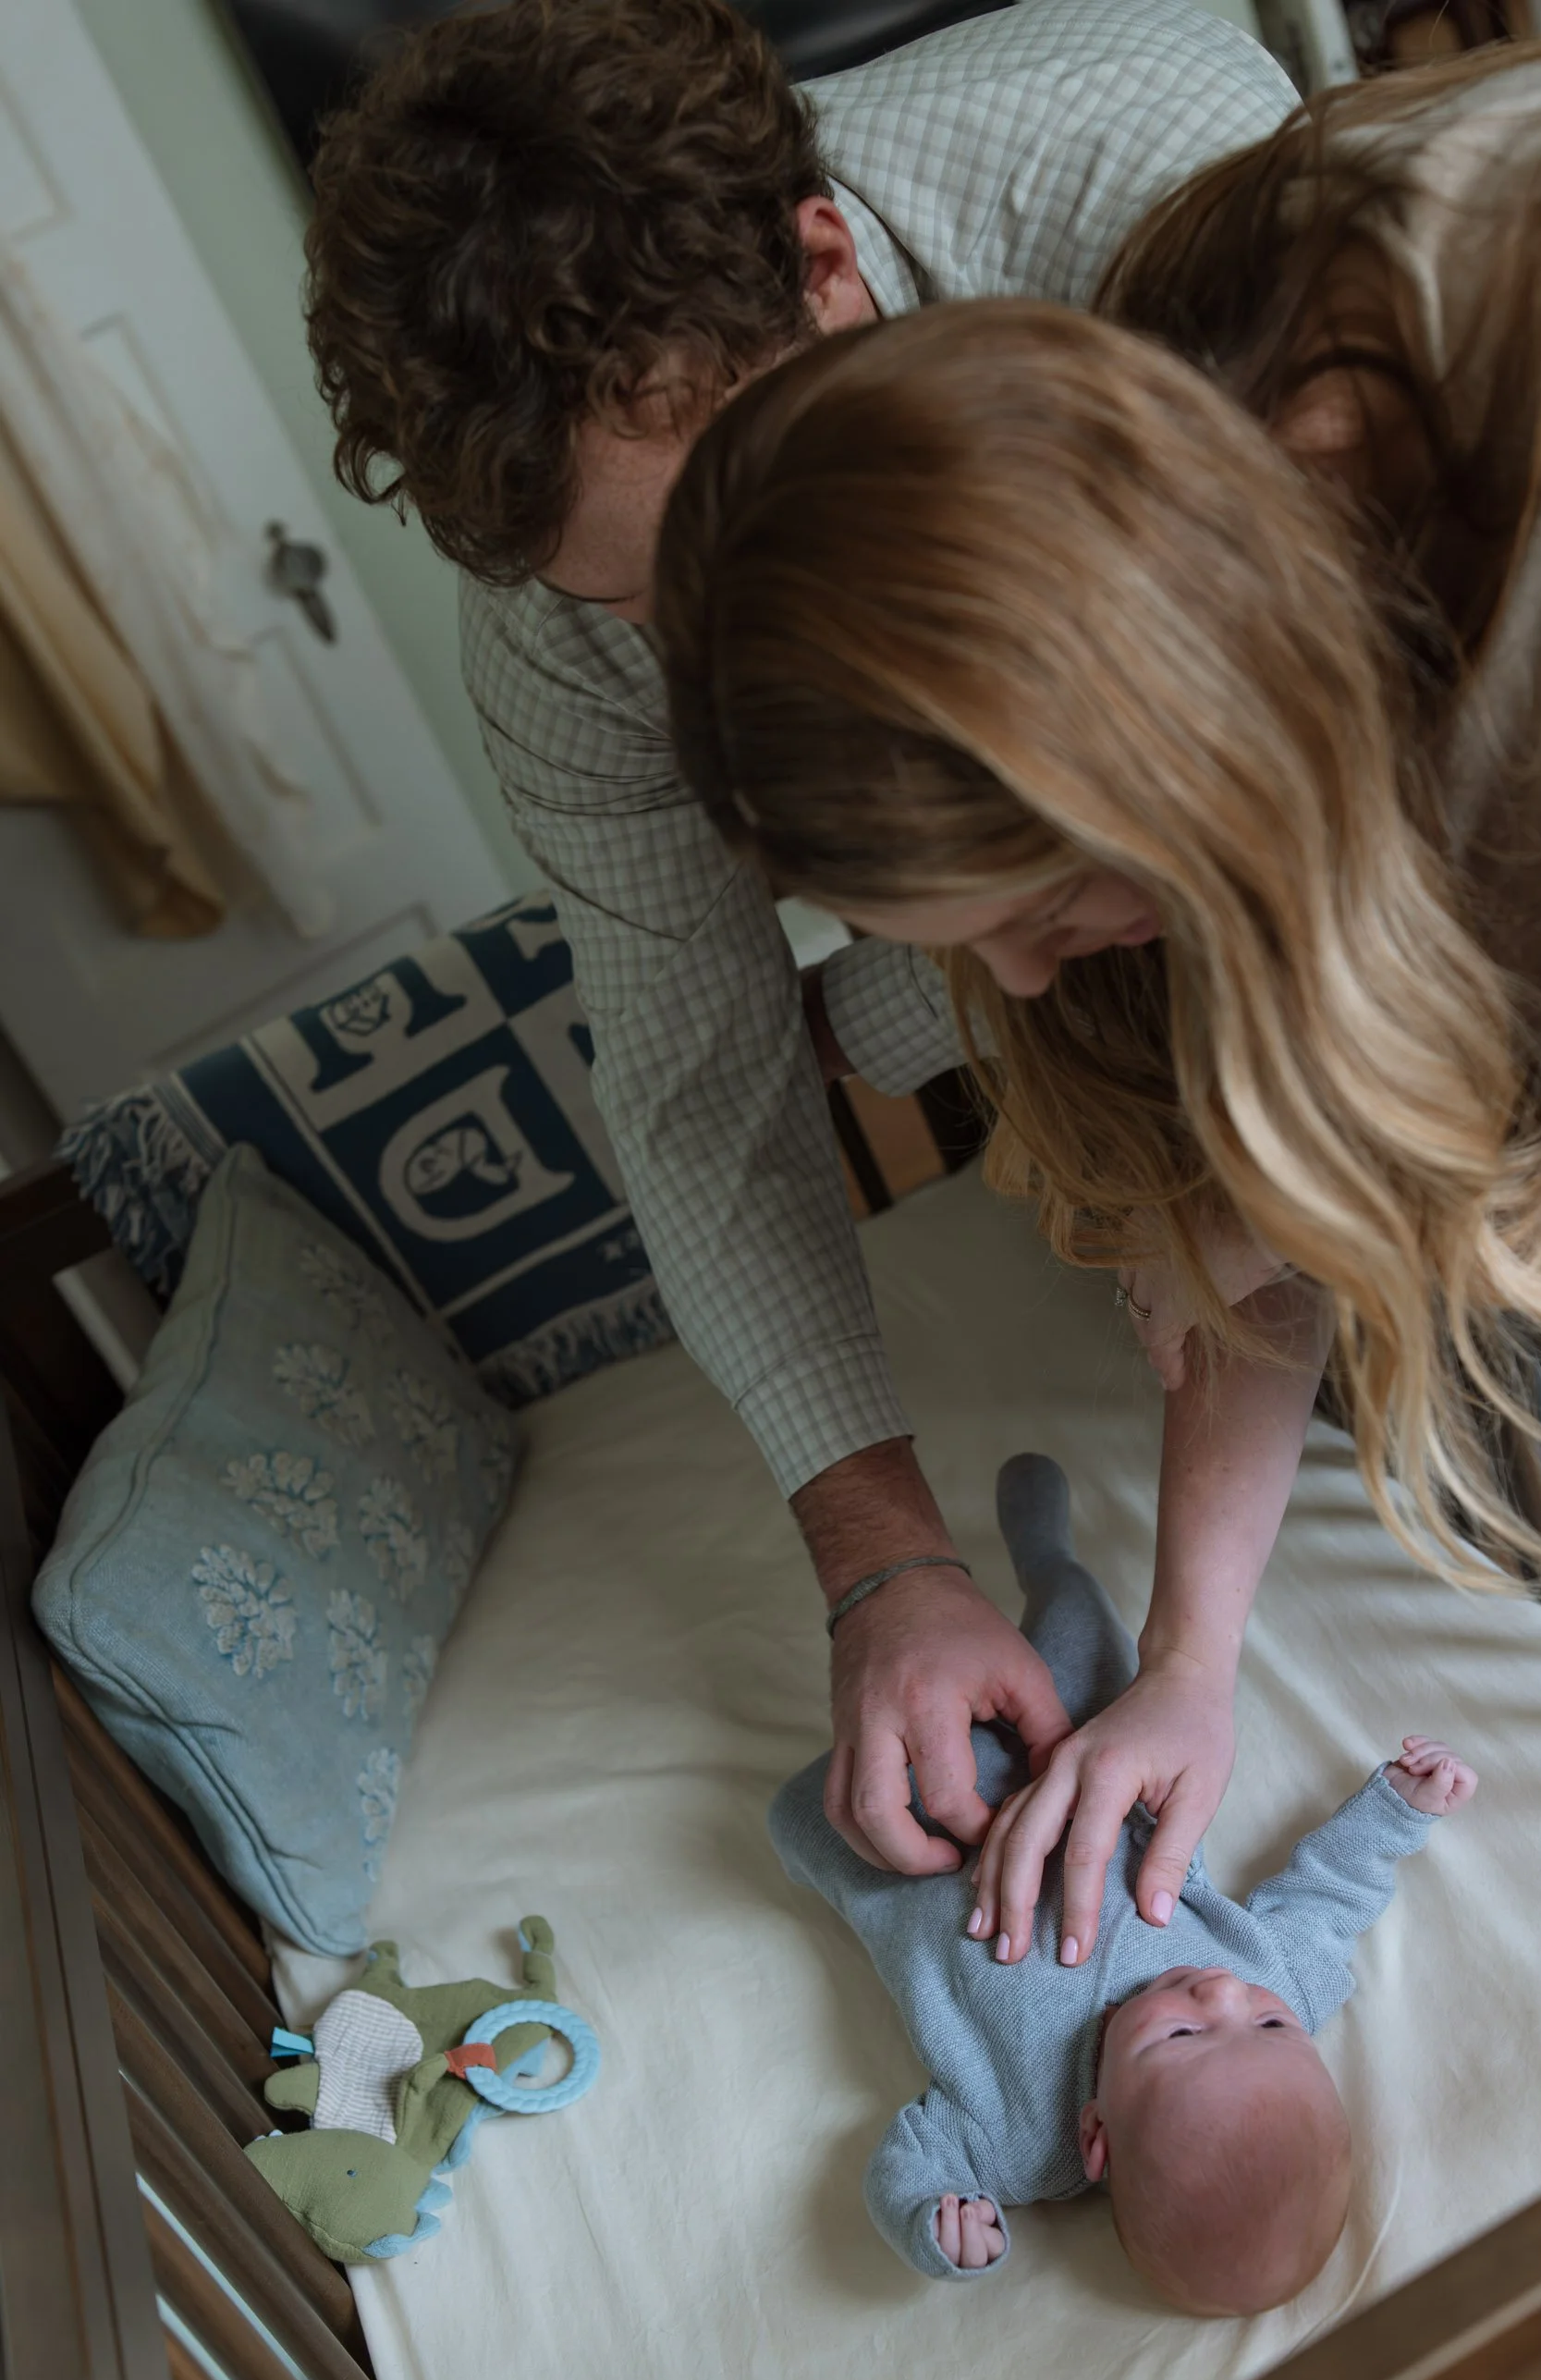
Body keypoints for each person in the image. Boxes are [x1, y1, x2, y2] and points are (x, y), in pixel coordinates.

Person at [654, 31, 1541, 1944]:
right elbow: (1236, 1119)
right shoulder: (1168, 423)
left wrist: (1320, 1222)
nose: (1025, 977)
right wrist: (1191, 1661)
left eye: (1039, 902)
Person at [301, 0, 1298, 1886]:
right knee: (913, 1016)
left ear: (822, 270)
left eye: (732, 514)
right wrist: (888, 1565)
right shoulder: (555, 628)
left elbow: (1370, 743)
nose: (727, 632)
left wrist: (1272, 1153)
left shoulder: (1167, 186)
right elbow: (696, 1086)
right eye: (646, 595)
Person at [771, 1454, 1474, 2310]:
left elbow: (912, 2159)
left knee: (822, 1811)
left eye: (1180, 2039)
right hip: (1087, 1747)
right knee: (1085, 1629)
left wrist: (934, 2218)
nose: (1217, 1992)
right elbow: (1332, 1893)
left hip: (925, 1839)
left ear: (1095, 2137)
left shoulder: (1019, 2140)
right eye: (1269, 2023)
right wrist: (1401, 1809)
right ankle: (1043, 1548)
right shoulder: (1278, 1973)